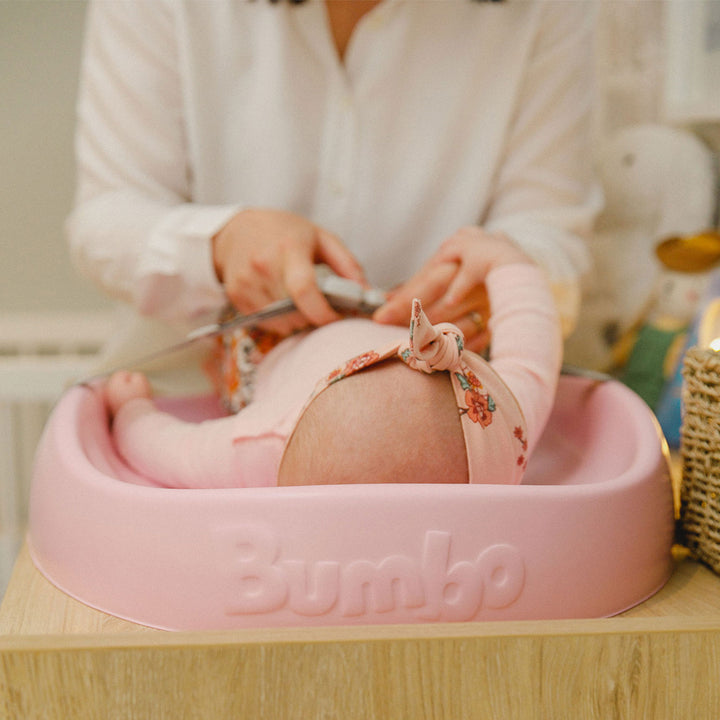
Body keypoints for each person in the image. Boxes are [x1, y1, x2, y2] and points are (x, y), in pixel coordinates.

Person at [67, 0, 601, 369]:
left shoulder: (544, 12)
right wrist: (221, 243)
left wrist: (500, 281)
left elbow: (551, 232)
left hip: (440, 414)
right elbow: (106, 218)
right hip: (186, 394)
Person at [103, 235, 561, 488]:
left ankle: (222, 365)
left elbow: (169, 450)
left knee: (237, 350)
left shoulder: (267, 440)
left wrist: (132, 411)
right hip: (398, 315)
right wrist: (503, 258)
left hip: (272, 349)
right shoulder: (503, 428)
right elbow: (530, 339)